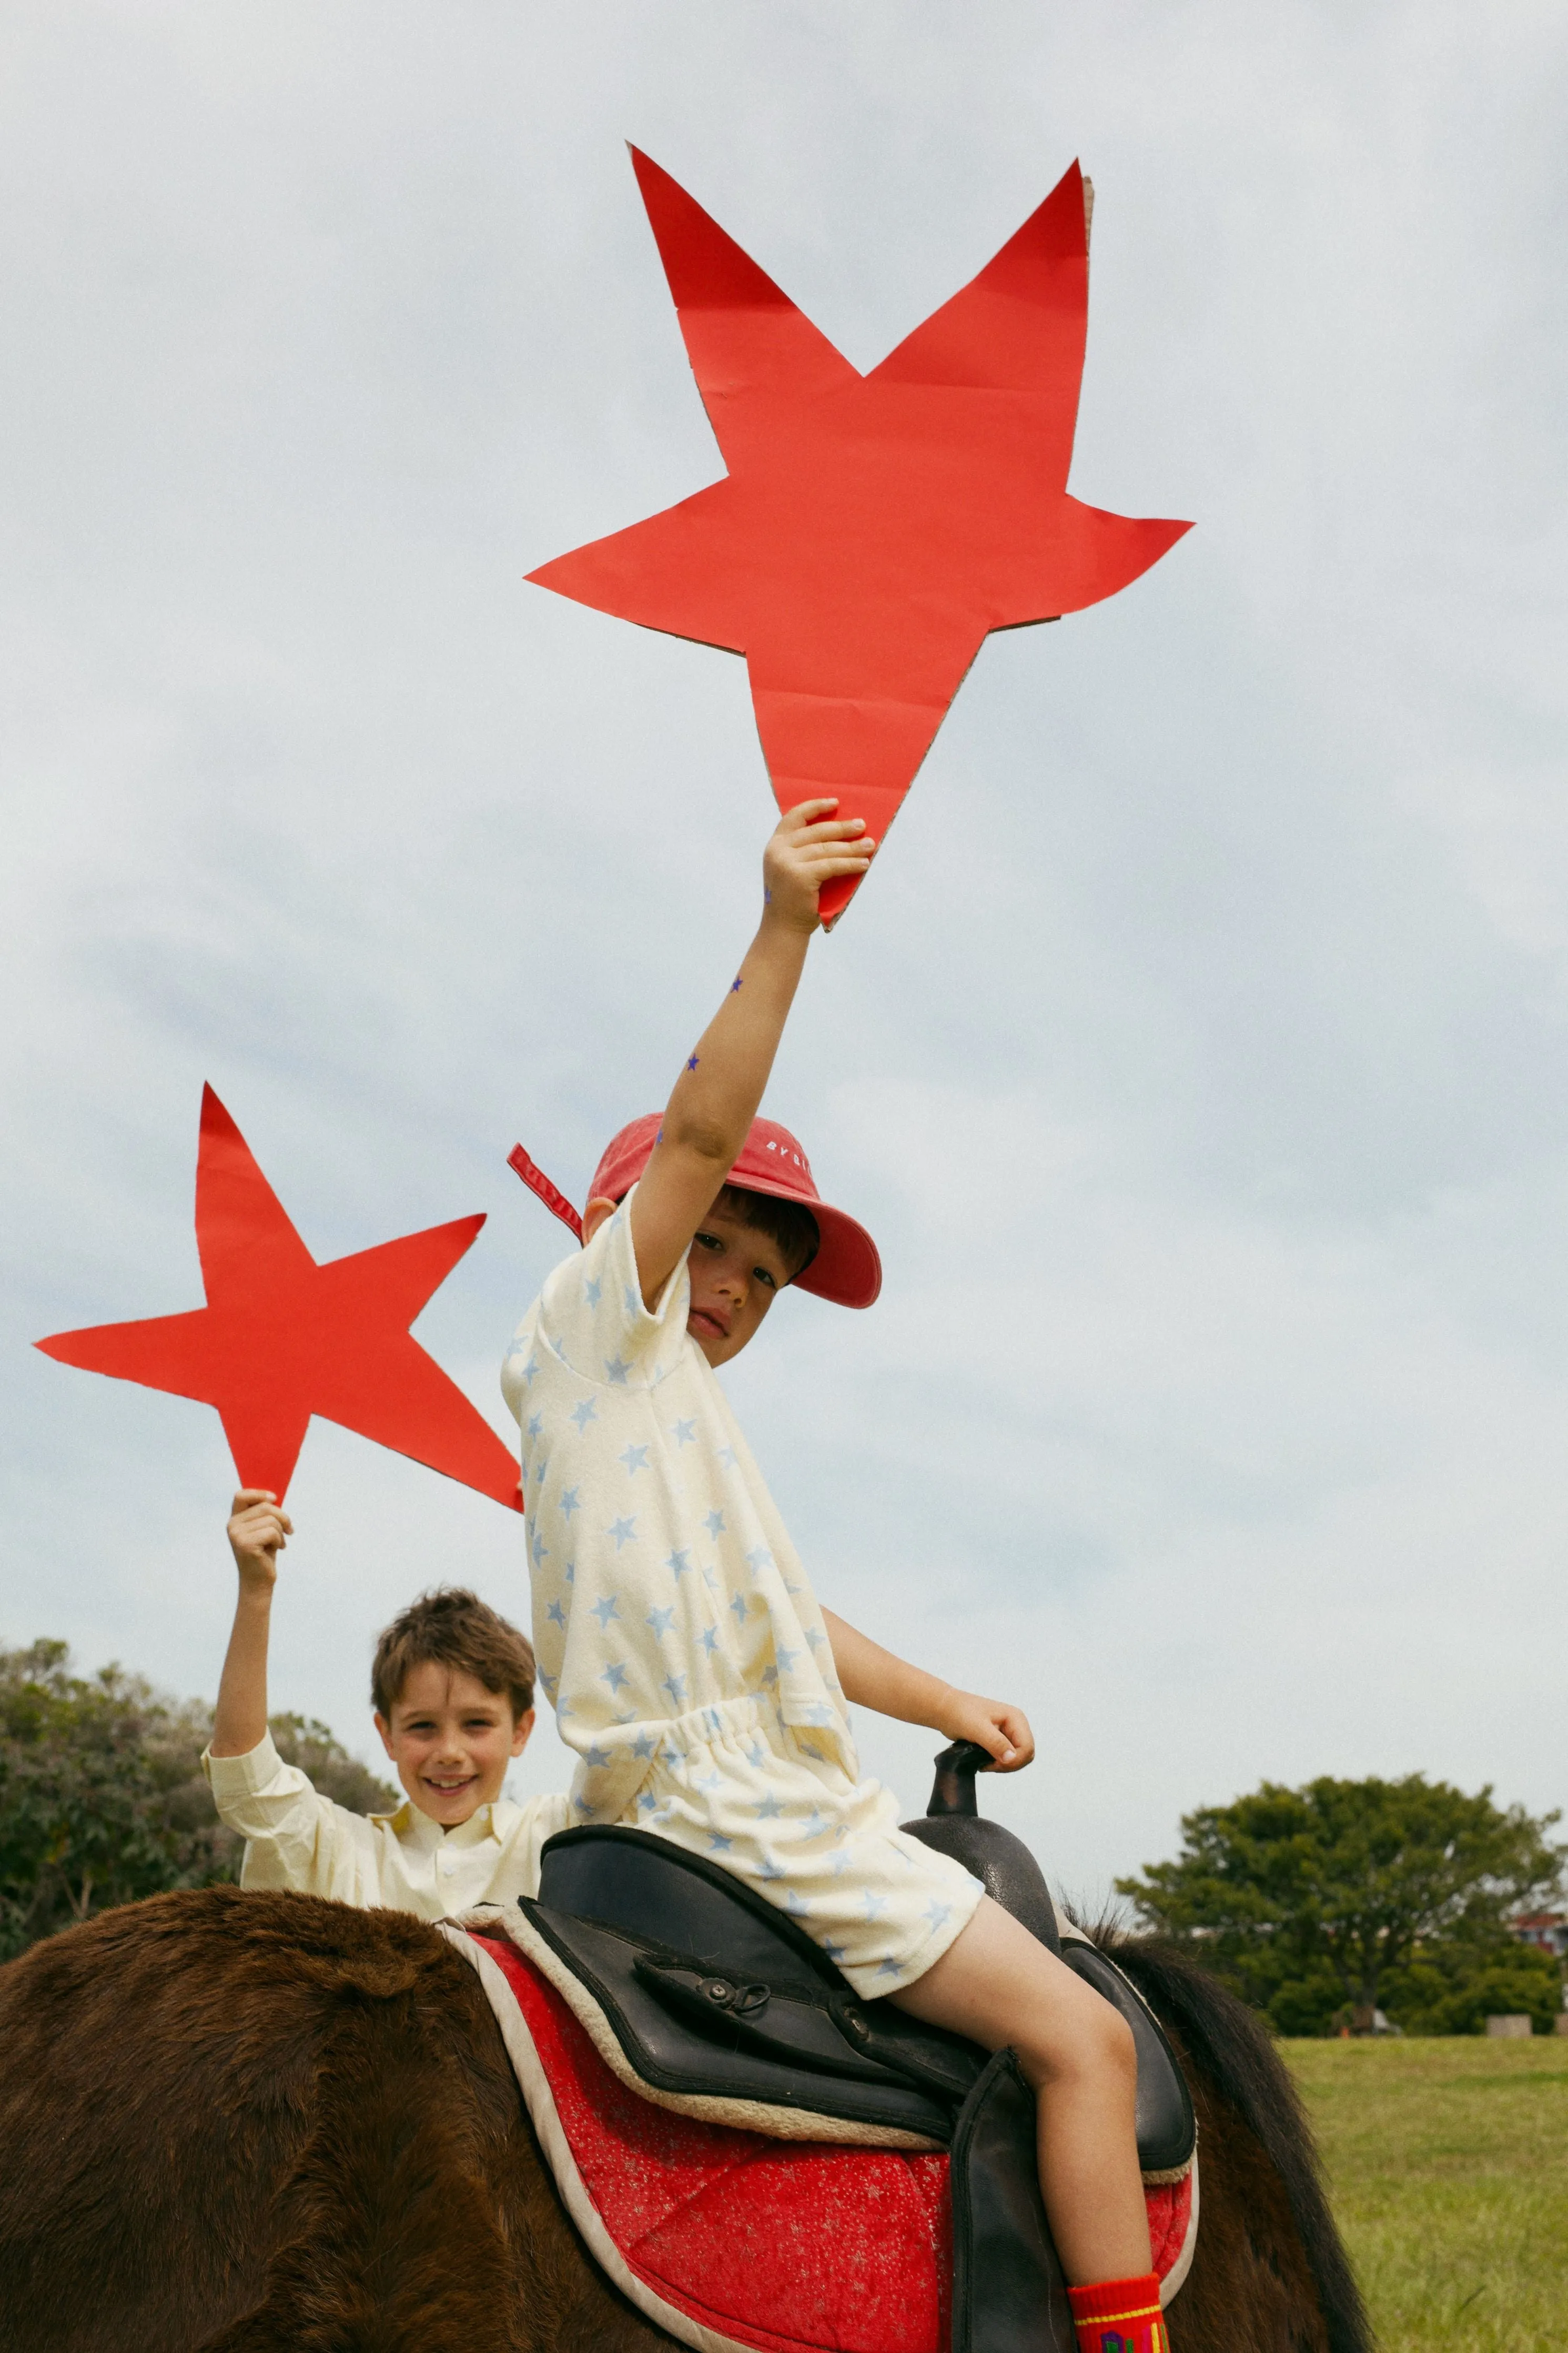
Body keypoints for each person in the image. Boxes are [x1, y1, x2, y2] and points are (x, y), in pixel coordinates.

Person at [502, 798, 1165, 2353]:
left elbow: (791, 1625)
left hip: (754, 1784)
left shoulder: (675, 1423)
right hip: (749, 1812)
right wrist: (784, 925)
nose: (733, 1282)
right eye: (713, 1243)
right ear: (628, 1229)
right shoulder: (595, 1327)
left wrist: (947, 1695)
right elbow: (696, 1136)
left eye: (765, 1271)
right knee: (1079, 2033)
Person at [203, 1489, 569, 1914]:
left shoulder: (557, 1836)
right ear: (387, 1735)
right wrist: (255, 1590)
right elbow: (248, 1781)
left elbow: (637, 1762)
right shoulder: (341, 1847)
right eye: (422, 1726)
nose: (449, 1753)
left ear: (521, 1730)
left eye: (476, 1724)